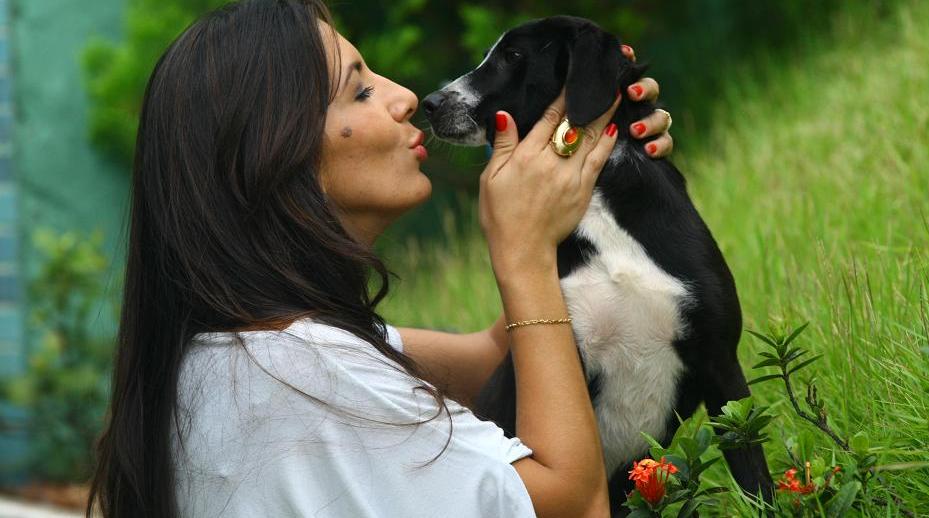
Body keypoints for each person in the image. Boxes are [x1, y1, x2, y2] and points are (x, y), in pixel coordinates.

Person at [86, 0, 676, 516]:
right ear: (275, 157)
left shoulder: (240, 355)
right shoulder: (305, 375)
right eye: (360, 90)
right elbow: (573, 507)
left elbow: (495, 356)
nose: (404, 97)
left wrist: (584, 181)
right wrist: (521, 255)